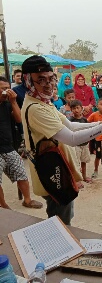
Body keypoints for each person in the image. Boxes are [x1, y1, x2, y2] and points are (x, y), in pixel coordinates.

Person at [20, 55, 102, 225]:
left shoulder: (43, 102)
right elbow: (71, 138)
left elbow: (71, 126)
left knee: (63, 214)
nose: (48, 84)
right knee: (61, 220)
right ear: (28, 81)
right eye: (41, 80)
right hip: (53, 173)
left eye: (50, 79)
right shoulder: (35, 108)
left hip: (59, 168)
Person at [0, 76, 43, 210]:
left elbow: (19, 119)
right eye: (3, 88)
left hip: (8, 147)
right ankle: (4, 205)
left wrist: (13, 102)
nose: (6, 91)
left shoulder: (8, 104)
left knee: (21, 173)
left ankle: (27, 200)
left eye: (8, 88)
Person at [69, 100, 92, 184]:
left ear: (82, 108)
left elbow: (88, 130)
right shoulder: (70, 121)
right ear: (71, 110)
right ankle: (76, 180)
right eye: (73, 108)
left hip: (85, 144)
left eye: (77, 108)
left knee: (84, 161)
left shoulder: (85, 120)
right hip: (75, 145)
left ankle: (84, 176)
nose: (76, 110)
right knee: (76, 163)